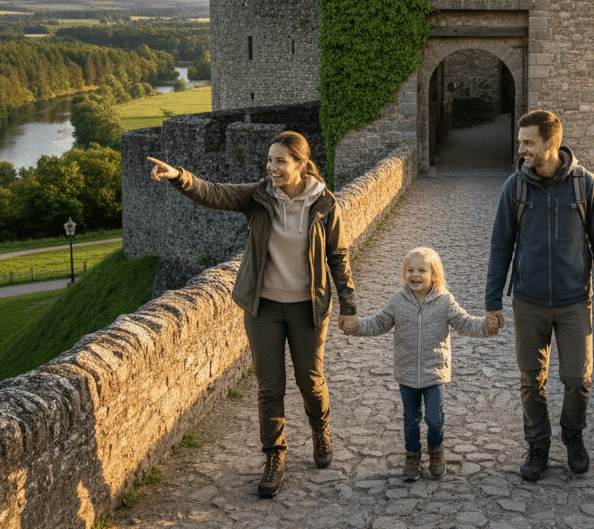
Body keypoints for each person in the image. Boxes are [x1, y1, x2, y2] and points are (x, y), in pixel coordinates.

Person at [147, 131, 356, 499]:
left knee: (310, 382)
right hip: (264, 308)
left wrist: (349, 307)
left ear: (300, 164)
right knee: (269, 387)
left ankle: (320, 430)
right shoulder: (259, 196)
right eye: (269, 160)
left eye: (280, 161)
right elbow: (213, 193)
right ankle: (274, 456)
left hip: (308, 309)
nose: (271, 167)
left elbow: (338, 256)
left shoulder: (325, 204)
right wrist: (178, 176)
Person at [485, 109, 594, 482]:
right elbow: (500, 247)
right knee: (532, 379)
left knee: (578, 378)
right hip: (528, 301)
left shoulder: (585, 186)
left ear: (551, 143)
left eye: (528, 142)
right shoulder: (515, 187)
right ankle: (538, 445)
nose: (521, 149)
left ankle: (573, 436)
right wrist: (492, 302)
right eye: (520, 142)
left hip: (575, 302)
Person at [339, 246, 502, 482]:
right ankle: (412, 456)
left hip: (434, 373)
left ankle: (436, 451)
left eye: (422, 270)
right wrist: (356, 326)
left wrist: (487, 326)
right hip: (406, 373)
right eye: (410, 270)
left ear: (434, 275)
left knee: (435, 419)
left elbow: (465, 323)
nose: (415, 275)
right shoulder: (397, 301)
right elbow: (378, 323)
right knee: (410, 419)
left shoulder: (445, 301)